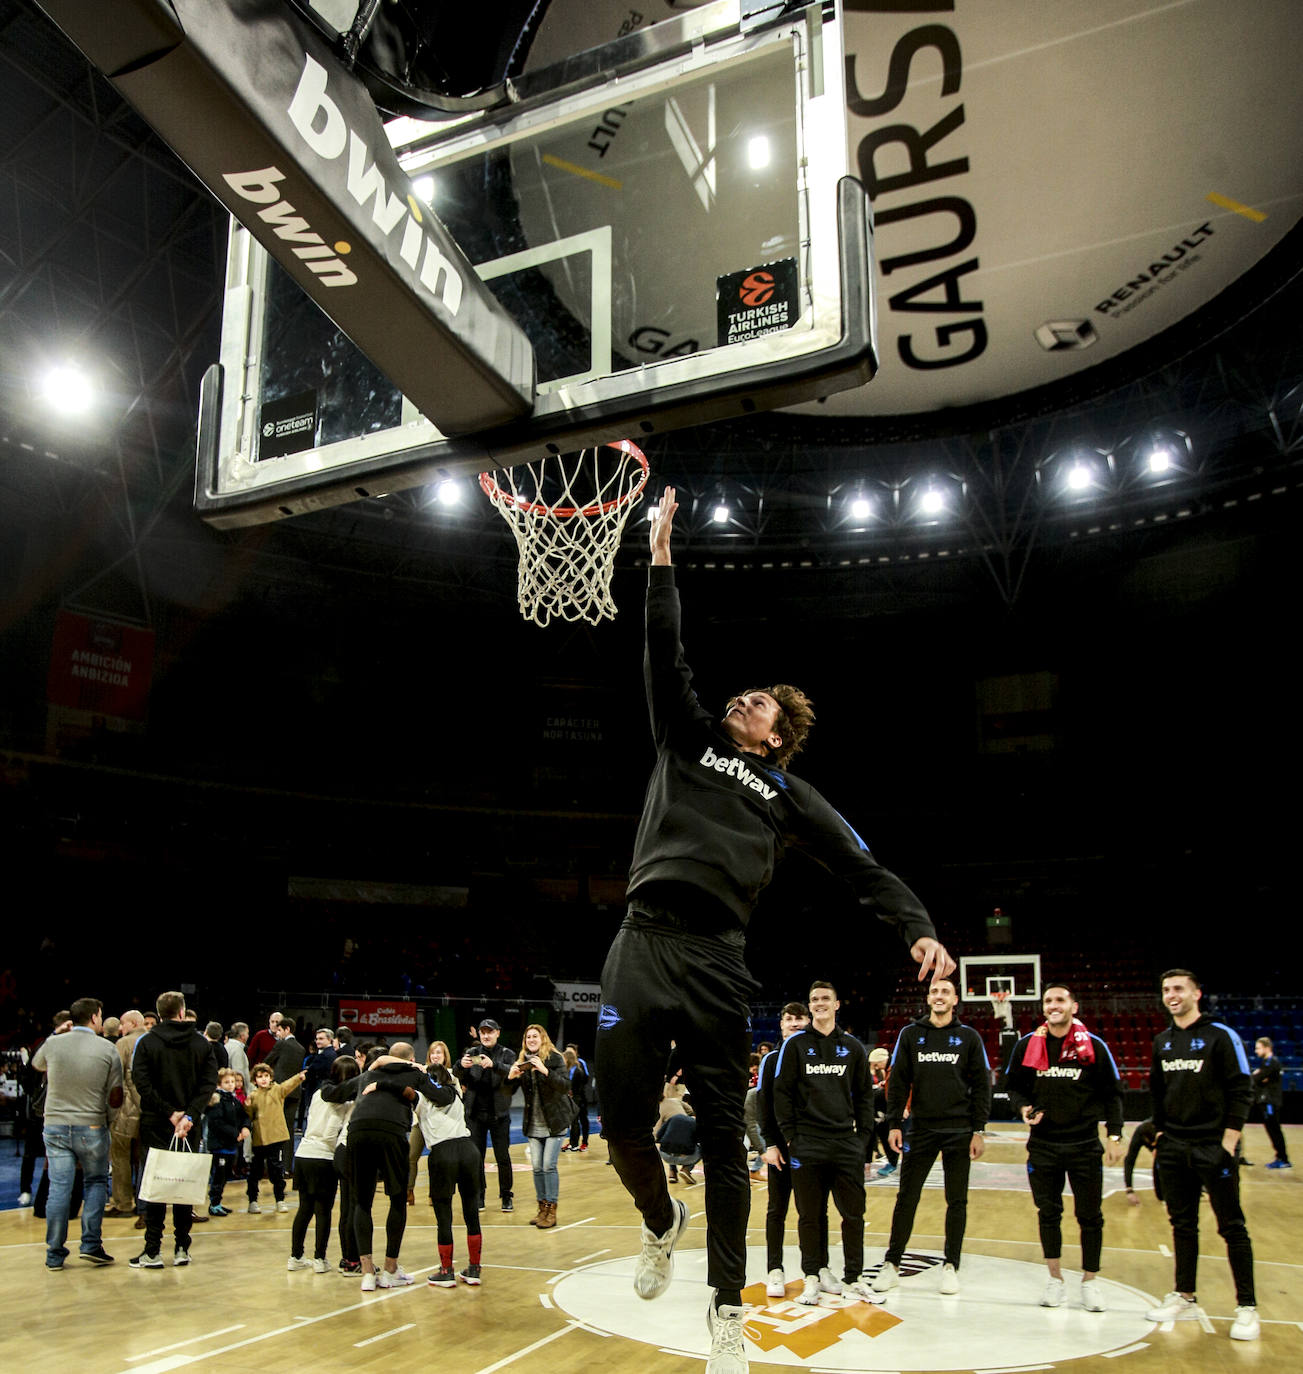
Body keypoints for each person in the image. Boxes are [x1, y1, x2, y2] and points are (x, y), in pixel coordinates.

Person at [598, 486, 954, 1374]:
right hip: (641, 941)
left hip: (717, 959)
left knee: (724, 1138)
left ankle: (726, 1312)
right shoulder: (684, 737)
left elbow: (861, 864)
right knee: (621, 1130)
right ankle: (657, 1222)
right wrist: (662, 560)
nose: (743, 698)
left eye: (759, 702)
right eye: (743, 694)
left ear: (778, 733)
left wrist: (915, 926)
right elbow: (660, 650)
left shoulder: (789, 795)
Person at [1144, 969, 1258, 1341]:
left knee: (1232, 1227)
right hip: (1175, 1146)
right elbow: (1157, 1094)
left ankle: (1247, 1307)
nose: (1171, 995)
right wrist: (1161, 1135)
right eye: (1166, 990)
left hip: (1213, 1147)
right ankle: (1185, 1295)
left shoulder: (1221, 1036)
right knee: (1183, 1225)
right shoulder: (1162, 1040)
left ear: (1196, 993)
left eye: (1179, 989)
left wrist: (1229, 1141)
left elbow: (1242, 1087)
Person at [1004, 983, 1124, 1311]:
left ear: (1074, 1006)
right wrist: (1023, 1107)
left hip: (1085, 1145)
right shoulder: (1028, 1045)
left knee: (1090, 1216)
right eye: (1048, 1001)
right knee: (1049, 1213)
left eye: (1060, 1000)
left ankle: (1090, 1281)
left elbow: (1112, 1094)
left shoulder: (1094, 1046)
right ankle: (1055, 1279)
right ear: (1043, 1008)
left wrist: (1114, 1136)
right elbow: (1012, 1087)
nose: (1054, 1005)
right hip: (1043, 1146)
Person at [873, 976, 990, 1296]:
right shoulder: (911, 1035)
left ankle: (951, 1265)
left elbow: (982, 1085)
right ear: (928, 998)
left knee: (957, 1201)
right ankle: (892, 1264)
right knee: (906, 1198)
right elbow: (897, 1083)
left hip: (959, 1131)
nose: (939, 996)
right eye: (935, 991)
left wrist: (979, 1129)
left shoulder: (968, 1037)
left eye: (945, 992)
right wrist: (895, 1123)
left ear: (955, 1000)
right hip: (921, 1129)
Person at [770, 982, 879, 1305]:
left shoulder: (854, 1047)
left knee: (854, 1215)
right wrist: (791, 1136)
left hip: (846, 1143)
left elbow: (865, 1098)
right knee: (810, 1216)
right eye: (814, 999)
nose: (819, 1003)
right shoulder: (795, 1047)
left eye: (825, 999)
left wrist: (862, 1140)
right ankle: (812, 1277)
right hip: (808, 1145)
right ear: (810, 1005)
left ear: (837, 1004)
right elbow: (782, 1094)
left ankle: (855, 1278)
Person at [321, 1042, 441, 1291]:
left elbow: (330, 1093)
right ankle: (390, 1269)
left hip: (358, 1131)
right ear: (411, 1058)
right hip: (392, 1131)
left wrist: (324, 1083)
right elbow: (439, 1095)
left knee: (361, 1202)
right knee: (397, 1199)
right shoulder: (415, 1073)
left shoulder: (368, 1075)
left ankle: (366, 1272)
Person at [129, 990, 218, 1269]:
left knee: (156, 1185)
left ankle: (152, 1250)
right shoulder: (202, 1044)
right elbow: (209, 1082)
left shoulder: (147, 1042)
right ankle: (182, 1247)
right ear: (182, 1011)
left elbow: (141, 1082)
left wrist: (169, 1112)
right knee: (183, 1183)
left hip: (157, 1121)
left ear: (159, 1013)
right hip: (189, 1125)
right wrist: (189, 1115)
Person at [32, 996, 122, 1269]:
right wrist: (108, 1121)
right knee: (95, 1182)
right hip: (92, 1124)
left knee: (59, 1187)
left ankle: (54, 1253)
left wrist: (55, 1034)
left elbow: (37, 1064)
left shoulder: (53, 1043)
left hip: (55, 1125)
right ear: (95, 1017)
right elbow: (115, 1095)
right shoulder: (107, 1048)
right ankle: (91, 1244)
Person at [755, 1001, 812, 1296]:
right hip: (781, 1148)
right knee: (777, 1209)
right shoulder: (772, 1058)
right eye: (788, 1019)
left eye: (799, 1018)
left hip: (810, 1146)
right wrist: (770, 1144)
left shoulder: (816, 1053)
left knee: (811, 1211)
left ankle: (814, 1272)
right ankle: (774, 1269)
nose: (794, 1023)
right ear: (781, 1024)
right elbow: (762, 1104)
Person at [418, 1043, 485, 1287]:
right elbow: (451, 1073)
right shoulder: (455, 1089)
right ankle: (475, 1268)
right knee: (471, 1212)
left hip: (443, 1152)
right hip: (468, 1149)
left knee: (443, 1214)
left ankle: (446, 1270)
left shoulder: (421, 1097)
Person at [288, 1054, 359, 1272]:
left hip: (302, 1154)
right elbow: (331, 1132)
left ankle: (296, 1256)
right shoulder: (347, 1102)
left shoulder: (319, 1093)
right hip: (323, 1157)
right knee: (323, 1211)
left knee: (304, 1208)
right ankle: (319, 1258)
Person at [510, 1024, 571, 1228]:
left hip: (554, 1122)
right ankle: (542, 1208)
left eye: (535, 1036)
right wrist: (510, 1077)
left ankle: (552, 1209)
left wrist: (545, 1071)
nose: (532, 1040)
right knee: (536, 1167)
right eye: (528, 1037)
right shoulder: (523, 1061)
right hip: (534, 1123)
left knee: (548, 1166)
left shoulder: (554, 1058)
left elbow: (564, 1086)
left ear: (542, 1038)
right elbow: (508, 1090)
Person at [454, 1018, 516, 1213]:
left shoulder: (507, 1054)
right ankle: (479, 1194)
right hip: (475, 1114)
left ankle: (506, 1195)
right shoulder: (472, 1053)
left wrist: (494, 1065)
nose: (486, 1035)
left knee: (502, 1157)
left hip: (499, 1114)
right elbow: (458, 1075)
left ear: (498, 1033)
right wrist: (460, 1065)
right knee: (476, 1157)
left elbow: (513, 1073)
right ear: (479, 1035)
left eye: (490, 1032)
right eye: (483, 1032)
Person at [245, 1061, 305, 1213]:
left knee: (276, 1171)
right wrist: (247, 1106)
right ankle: (253, 1201)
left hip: (276, 1138)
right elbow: (249, 1117)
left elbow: (288, 1085)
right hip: (259, 1140)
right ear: (254, 1080)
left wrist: (298, 1077)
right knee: (255, 1172)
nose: (264, 1079)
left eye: (266, 1076)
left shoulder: (277, 1090)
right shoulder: (253, 1096)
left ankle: (280, 1200)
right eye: (260, 1077)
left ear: (271, 1077)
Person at [105, 1009, 146, 1219]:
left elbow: (113, 1078)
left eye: (123, 1023)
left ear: (131, 1023)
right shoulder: (152, 1040)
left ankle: (123, 1203)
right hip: (149, 1110)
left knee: (120, 1157)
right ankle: (144, 1205)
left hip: (125, 1111)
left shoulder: (123, 1044)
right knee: (143, 1160)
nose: (120, 1028)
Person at [203, 1067, 250, 1216]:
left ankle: (218, 1202)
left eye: (232, 1081)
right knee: (219, 1175)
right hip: (220, 1145)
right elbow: (217, 1123)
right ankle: (214, 1203)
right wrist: (235, 1133)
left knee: (225, 1176)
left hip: (230, 1145)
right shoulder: (217, 1100)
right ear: (219, 1084)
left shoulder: (234, 1099)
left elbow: (244, 1116)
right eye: (226, 1082)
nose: (231, 1084)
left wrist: (245, 1127)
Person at [267, 1017, 306, 1174]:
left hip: (279, 1091)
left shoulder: (281, 1044)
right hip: (295, 1092)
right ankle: (287, 1168)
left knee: (275, 1128)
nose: (277, 1034)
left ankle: (273, 1166)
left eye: (279, 1031)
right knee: (289, 1130)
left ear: (287, 1030)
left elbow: (267, 1062)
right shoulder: (301, 1048)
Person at [1252, 1037, 1291, 1169]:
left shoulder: (1271, 1063)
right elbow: (1259, 1078)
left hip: (1270, 1102)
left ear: (1267, 1048)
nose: (1256, 1051)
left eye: (1258, 1048)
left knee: (1274, 1130)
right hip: (1268, 1101)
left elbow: (1256, 1078)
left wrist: (1258, 1075)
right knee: (1272, 1130)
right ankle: (1280, 1157)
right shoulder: (1266, 1063)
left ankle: (1283, 1158)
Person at [867, 1048, 897, 1175]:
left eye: (877, 1064)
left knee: (889, 1135)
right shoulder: (886, 1070)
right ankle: (869, 1160)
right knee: (874, 1133)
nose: (877, 1067)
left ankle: (894, 1162)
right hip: (879, 1110)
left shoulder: (893, 1069)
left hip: (890, 1109)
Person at [1123, 1118, 1161, 1205]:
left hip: (1168, 1143)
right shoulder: (1139, 1135)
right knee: (1160, 1195)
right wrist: (1129, 1190)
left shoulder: (1163, 1127)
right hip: (1157, 1146)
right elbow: (1129, 1161)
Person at [562, 1047, 590, 1152]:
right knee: (573, 1121)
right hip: (573, 1098)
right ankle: (573, 1142)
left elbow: (585, 1080)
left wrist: (575, 1092)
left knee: (582, 1120)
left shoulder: (579, 1067)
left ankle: (584, 1142)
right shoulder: (568, 1068)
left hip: (580, 1098)